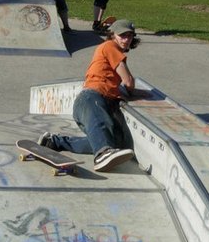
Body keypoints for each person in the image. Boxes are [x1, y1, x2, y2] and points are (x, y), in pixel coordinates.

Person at [39, 19, 141, 172]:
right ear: (113, 35)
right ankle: (102, 154)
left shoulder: (111, 48)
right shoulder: (110, 46)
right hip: (91, 99)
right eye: (122, 36)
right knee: (101, 133)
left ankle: (54, 142)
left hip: (97, 103)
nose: (126, 40)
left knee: (111, 141)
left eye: (130, 36)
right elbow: (128, 81)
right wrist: (133, 91)